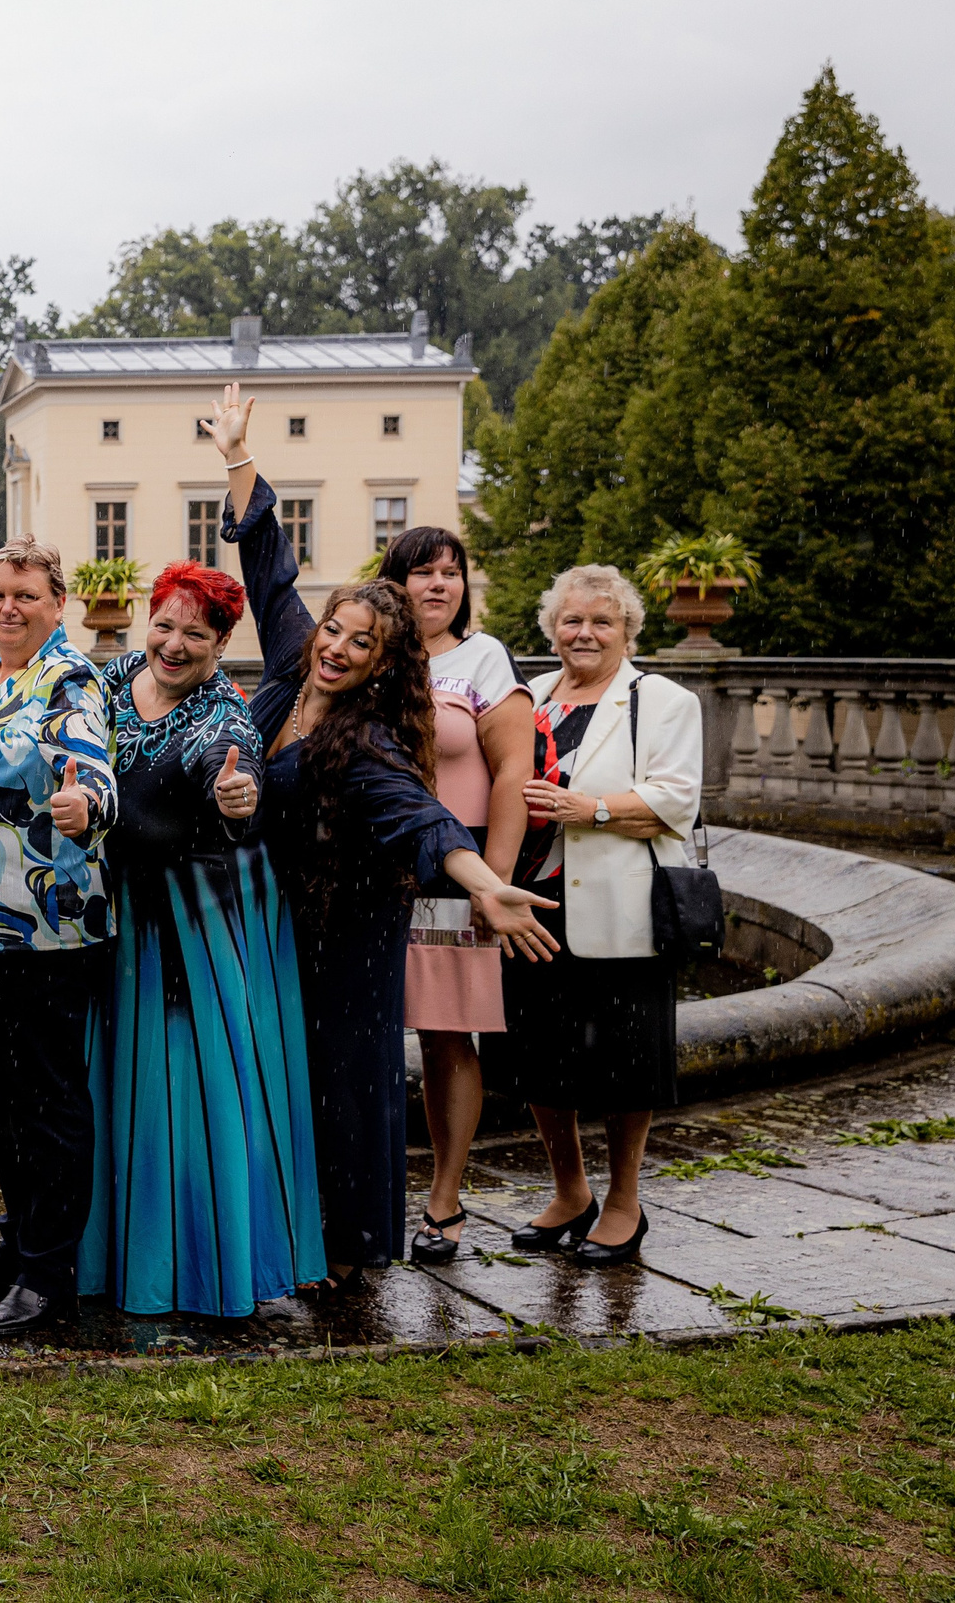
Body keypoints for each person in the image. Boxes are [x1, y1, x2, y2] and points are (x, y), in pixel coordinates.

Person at [214, 384, 555, 1283]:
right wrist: (240, 457)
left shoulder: (364, 738)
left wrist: (483, 882)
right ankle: (300, 1231)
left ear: (380, 663)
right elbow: (271, 575)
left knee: (349, 1080)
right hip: (292, 918)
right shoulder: (289, 671)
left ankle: (355, 1247)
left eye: (360, 643)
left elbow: (421, 816)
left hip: (352, 927)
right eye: (336, 628)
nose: (337, 646)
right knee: (295, 1078)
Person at [83, 559, 325, 1317]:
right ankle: (99, 1254)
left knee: (186, 1090)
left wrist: (237, 797)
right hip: (121, 917)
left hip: (190, 930)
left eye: (197, 633)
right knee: (115, 1085)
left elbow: (239, 788)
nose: (175, 644)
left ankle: (192, 1264)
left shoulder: (224, 720)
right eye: (164, 625)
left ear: (223, 642)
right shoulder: (116, 678)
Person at [486, 565, 702, 1266]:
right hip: (533, 904)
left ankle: (624, 1203)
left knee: (625, 1064)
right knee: (540, 1059)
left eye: (601, 621)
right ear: (552, 627)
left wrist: (596, 810)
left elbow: (675, 800)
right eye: (572, 620)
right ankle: (570, 1191)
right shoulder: (531, 696)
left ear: (627, 630)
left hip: (620, 914)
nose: (584, 633)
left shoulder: (660, 699)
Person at [0, 536, 116, 1338]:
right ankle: (16, 1246)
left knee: (49, 1102)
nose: (7, 607)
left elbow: (92, 765)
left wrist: (90, 806)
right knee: (2, 1100)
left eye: (25, 595)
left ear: (58, 605)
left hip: (50, 921)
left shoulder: (69, 677)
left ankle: (51, 1278)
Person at [380, 526, 535, 1265]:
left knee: (446, 1034)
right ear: (395, 583)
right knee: (366, 1031)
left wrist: (494, 880)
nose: (439, 585)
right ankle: (365, 1189)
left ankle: (444, 1197)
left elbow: (512, 773)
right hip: (376, 864)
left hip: (454, 864)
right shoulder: (374, 654)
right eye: (422, 573)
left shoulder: (481, 658)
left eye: (452, 573)